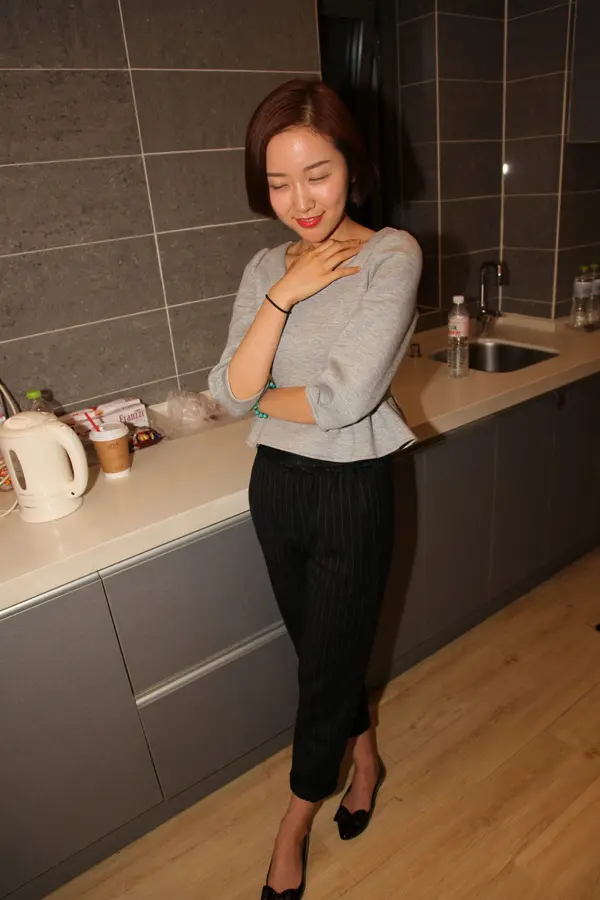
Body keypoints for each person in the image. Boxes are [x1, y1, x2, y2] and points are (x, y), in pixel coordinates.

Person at [209, 79, 422, 900]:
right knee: (322, 654)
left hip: (351, 492)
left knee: (324, 673)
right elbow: (226, 391)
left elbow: (343, 399)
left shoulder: (391, 255)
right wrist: (284, 294)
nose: (300, 201)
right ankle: (364, 754)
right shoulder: (266, 266)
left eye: (318, 174)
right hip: (276, 487)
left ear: (352, 167)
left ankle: (293, 825)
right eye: (278, 183)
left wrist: (260, 395)